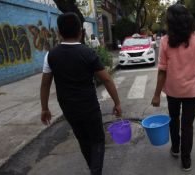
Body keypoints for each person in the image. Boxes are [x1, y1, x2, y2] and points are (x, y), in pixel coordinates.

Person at [40, 12, 122, 175]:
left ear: (59, 32)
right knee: (97, 140)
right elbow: (106, 79)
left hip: (69, 109)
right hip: (89, 107)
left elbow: (45, 84)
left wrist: (44, 108)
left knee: (83, 139)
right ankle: (95, 171)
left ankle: (93, 168)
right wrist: (117, 103)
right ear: (80, 31)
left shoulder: (51, 55)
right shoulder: (88, 53)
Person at [151, 4, 195, 172]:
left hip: (172, 91)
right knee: (187, 125)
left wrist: (157, 95)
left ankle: (175, 148)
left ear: (170, 21)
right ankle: (186, 160)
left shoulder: (165, 41)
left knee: (174, 119)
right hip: (193, 92)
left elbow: (162, 72)